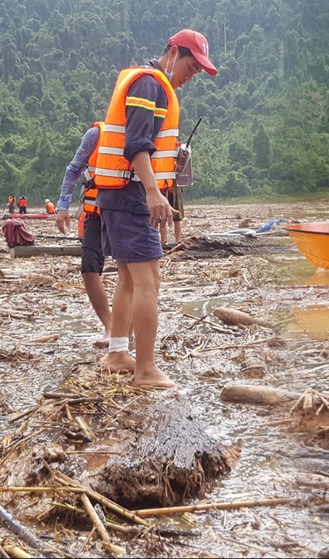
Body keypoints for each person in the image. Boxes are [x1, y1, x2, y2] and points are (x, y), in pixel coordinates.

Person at [94, 28, 217, 388]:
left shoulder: (150, 84)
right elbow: (136, 144)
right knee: (149, 280)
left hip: (120, 195)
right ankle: (146, 370)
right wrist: (152, 192)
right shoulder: (150, 85)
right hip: (131, 195)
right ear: (173, 53)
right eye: (191, 67)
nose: (190, 77)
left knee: (129, 279)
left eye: (197, 72)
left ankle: (118, 354)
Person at [55, 122, 113, 350]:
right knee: (89, 267)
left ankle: (125, 326)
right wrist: (63, 206)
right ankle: (109, 326)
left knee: (131, 271)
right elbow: (73, 170)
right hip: (95, 213)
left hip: (125, 213)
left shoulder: (139, 129)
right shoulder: (96, 135)